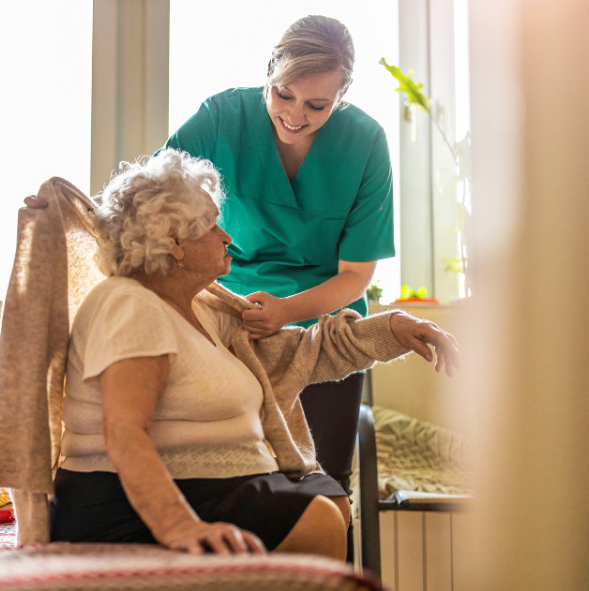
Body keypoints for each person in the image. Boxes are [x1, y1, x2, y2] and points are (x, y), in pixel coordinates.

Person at [45, 150, 458, 558]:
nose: (226, 237)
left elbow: (305, 351)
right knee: (317, 519)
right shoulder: (129, 304)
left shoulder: (207, 311)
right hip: (124, 503)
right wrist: (178, 525)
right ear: (173, 242)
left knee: (329, 502)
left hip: (214, 485)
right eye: (210, 226)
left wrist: (396, 328)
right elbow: (124, 430)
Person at [160, 15, 393, 558]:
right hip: (229, 321)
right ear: (268, 73)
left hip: (325, 329)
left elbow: (356, 274)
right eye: (283, 94)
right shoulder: (223, 116)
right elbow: (151, 198)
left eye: (317, 106)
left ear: (343, 95)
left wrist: (289, 311)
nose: (294, 115)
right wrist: (68, 212)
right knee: (236, 483)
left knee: (326, 487)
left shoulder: (365, 142)